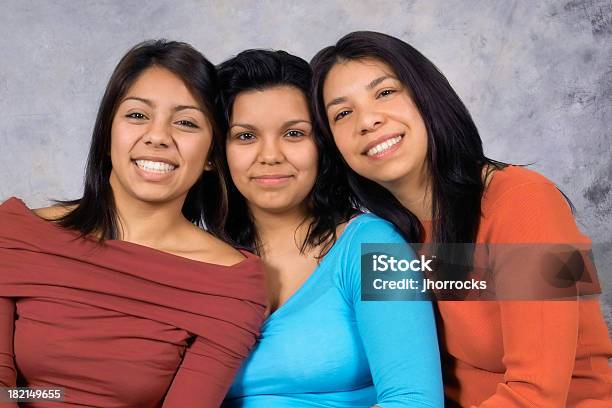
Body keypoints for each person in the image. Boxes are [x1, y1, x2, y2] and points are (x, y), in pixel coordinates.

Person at [310, 30, 612, 407]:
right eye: (342, 113)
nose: (367, 120)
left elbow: (537, 395)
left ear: (426, 96)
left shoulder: (524, 200)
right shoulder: (385, 238)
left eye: (385, 92)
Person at [0, 40, 266, 407]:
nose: (157, 136)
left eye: (186, 122)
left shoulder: (231, 282)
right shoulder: (17, 234)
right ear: (108, 134)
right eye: (138, 115)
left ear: (210, 157)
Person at [213, 49, 443, 408]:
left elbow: (414, 400)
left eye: (293, 133)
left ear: (322, 145)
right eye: (245, 136)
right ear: (218, 152)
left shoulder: (374, 247)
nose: (270, 155)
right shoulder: (197, 257)